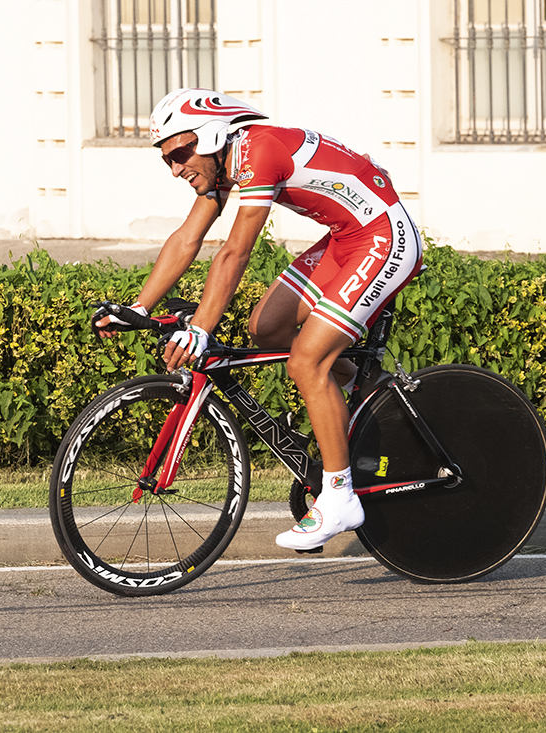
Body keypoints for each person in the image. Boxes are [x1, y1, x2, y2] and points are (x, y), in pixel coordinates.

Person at [94, 88, 424, 551]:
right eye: (166, 160)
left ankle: (339, 497)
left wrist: (200, 330)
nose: (175, 169)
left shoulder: (258, 151)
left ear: (210, 136)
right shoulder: (225, 163)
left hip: (384, 237)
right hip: (346, 239)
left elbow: (235, 251)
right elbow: (187, 238)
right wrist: (139, 307)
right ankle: (366, 396)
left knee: (307, 363)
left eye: (180, 153)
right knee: (266, 328)